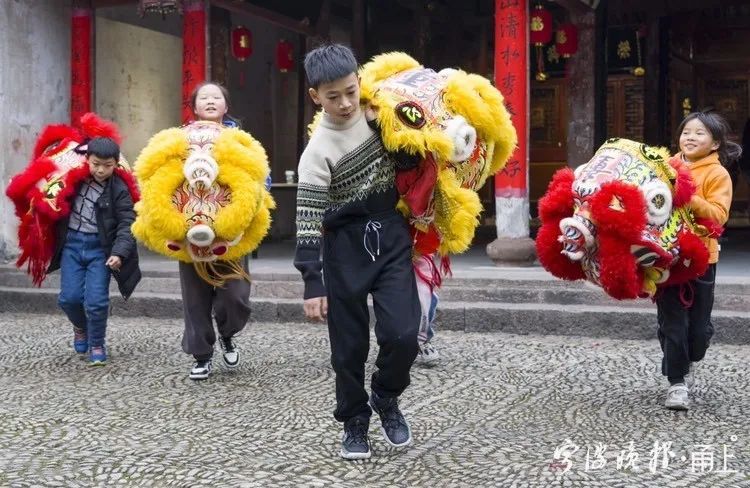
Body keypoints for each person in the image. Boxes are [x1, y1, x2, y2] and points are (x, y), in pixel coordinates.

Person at [294, 44, 420, 460]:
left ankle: (386, 396)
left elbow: (412, 158)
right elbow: (308, 219)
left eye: (351, 91)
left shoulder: (381, 117)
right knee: (348, 349)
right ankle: (355, 419)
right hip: (344, 249)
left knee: (403, 334)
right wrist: (313, 282)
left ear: (359, 82)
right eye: (333, 96)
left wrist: (392, 129)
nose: (346, 103)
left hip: (391, 237)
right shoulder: (316, 151)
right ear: (316, 96)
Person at [658, 110, 737, 410]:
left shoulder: (718, 174)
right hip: (666, 256)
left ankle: (688, 343)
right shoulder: (664, 167)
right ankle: (677, 384)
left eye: (699, 133)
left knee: (698, 333)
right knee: (674, 323)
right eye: (686, 131)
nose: (690, 137)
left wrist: (687, 194)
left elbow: (719, 214)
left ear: (715, 144)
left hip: (702, 257)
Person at [179, 82, 253, 380]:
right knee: (194, 295)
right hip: (189, 226)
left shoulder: (241, 139)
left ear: (226, 106)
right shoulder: (178, 140)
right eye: (204, 98)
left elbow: (260, 175)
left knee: (235, 295)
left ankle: (227, 333)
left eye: (216, 97)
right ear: (194, 107)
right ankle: (201, 353)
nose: (210, 101)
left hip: (230, 228)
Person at [47, 137, 141, 365]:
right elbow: (47, 196)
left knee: (97, 302)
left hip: (101, 250)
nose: (100, 170)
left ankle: (97, 343)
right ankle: (80, 327)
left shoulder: (119, 189)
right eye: (96, 164)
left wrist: (119, 253)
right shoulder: (71, 180)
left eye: (107, 165)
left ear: (116, 164)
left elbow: (127, 222)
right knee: (68, 299)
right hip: (72, 245)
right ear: (87, 160)